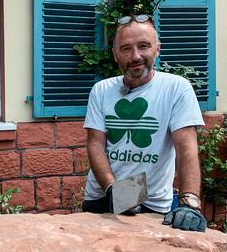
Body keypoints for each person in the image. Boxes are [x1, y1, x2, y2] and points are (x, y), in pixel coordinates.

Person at [81, 14, 207, 232]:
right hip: (101, 196)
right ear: (115, 55)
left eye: (143, 46)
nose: (135, 56)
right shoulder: (101, 90)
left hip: (151, 202)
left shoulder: (177, 88)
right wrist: (114, 190)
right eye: (126, 48)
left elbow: (186, 149)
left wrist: (190, 203)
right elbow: (95, 144)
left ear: (157, 49)